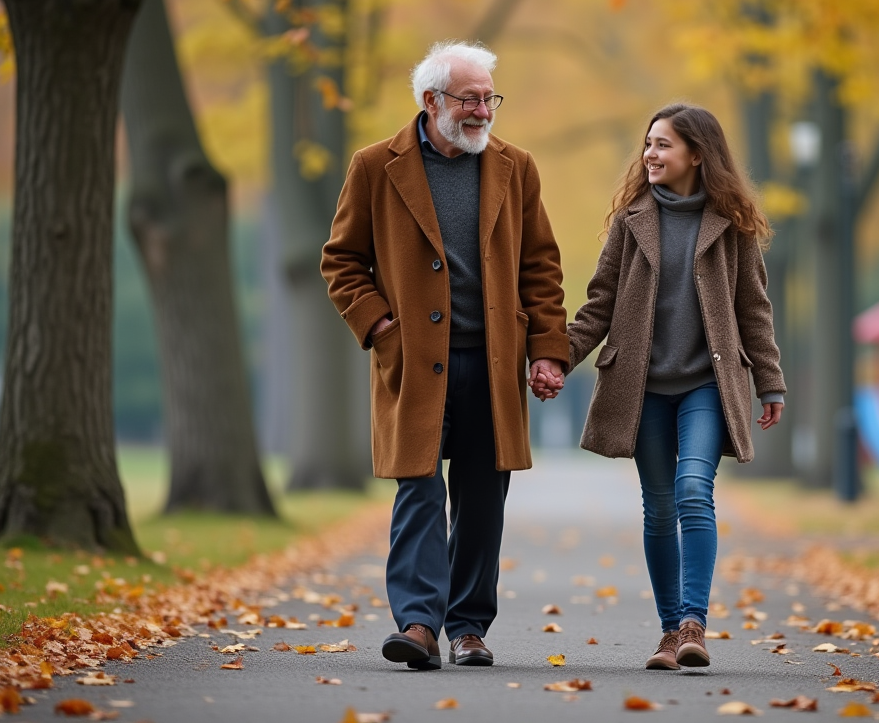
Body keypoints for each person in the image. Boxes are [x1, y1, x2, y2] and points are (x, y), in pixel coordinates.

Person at [321, 41, 568, 670]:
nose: (483, 110)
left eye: (489, 98)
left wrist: (547, 351)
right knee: (420, 492)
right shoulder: (375, 166)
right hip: (412, 364)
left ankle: (468, 628)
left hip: (493, 364)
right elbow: (341, 261)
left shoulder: (517, 167)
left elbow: (540, 267)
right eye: (470, 99)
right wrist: (380, 325)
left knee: (483, 501)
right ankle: (419, 625)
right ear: (431, 101)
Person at [566, 103, 785, 671]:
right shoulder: (631, 220)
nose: (650, 154)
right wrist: (556, 358)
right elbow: (600, 303)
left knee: (693, 490)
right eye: (648, 144)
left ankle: (693, 624)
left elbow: (753, 309)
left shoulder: (731, 225)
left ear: (697, 154)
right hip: (642, 387)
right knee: (660, 508)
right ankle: (670, 633)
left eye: (663, 144)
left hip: (706, 383)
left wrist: (770, 382)